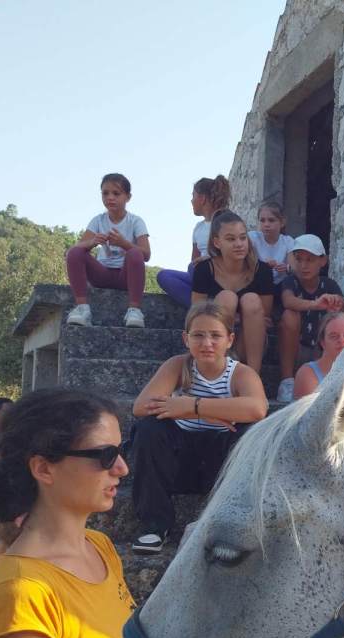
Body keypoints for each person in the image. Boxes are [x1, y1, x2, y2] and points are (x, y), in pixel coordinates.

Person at [0, 388, 135, 638]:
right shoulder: (19, 593)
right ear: (44, 469)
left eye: (122, 450)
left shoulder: (100, 547)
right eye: (105, 455)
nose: (122, 468)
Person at [129, 303, 267, 554]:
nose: (207, 343)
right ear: (186, 338)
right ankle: (154, 525)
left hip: (219, 467)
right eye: (198, 335)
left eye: (215, 335)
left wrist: (192, 407)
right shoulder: (177, 366)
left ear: (229, 340)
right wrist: (218, 411)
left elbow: (257, 409)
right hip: (179, 464)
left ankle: (226, 524)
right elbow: (141, 407)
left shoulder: (240, 374)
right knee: (149, 428)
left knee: (248, 430)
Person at [190, 209, 274, 372]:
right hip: (213, 343)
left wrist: (240, 317)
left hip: (249, 342)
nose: (239, 244)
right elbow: (196, 317)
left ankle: (254, 377)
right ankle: (216, 373)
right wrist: (240, 317)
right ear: (216, 242)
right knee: (227, 298)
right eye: (230, 239)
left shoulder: (262, 270)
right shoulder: (204, 269)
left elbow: (265, 319)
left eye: (243, 238)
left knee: (250, 299)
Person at [276, 234, 344, 403]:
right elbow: (287, 301)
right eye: (299, 260)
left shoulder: (329, 284)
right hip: (296, 348)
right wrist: (316, 304)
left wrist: (341, 304)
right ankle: (287, 381)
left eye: (310, 260)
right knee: (289, 315)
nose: (304, 265)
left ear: (323, 261)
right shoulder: (291, 281)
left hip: (322, 350)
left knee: (338, 321)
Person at [66, 173, 151, 328]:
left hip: (126, 276)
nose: (110, 198)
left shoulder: (135, 221)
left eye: (116, 193)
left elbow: (146, 254)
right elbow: (78, 248)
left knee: (134, 253)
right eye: (105, 193)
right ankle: (82, 308)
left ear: (128, 197)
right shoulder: (98, 220)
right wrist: (92, 242)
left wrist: (124, 243)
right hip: (102, 274)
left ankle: (134, 310)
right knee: (74, 252)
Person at [157, 175, 232, 306]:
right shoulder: (198, 228)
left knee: (195, 267)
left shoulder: (227, 221)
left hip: (224, 276)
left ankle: (207, 308)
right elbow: (194, 260)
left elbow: (236, 254)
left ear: (202, 199)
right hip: (202, 277)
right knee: (164, 275)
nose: (191, 201)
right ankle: (205, 308)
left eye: (193, 196)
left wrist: (210, 260)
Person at [248, 201, 295, 289]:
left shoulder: (288, 241)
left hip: (280, 284)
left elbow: (294, 267)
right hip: (258, 282)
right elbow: (246, 264)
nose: (266, 224)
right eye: (262, 220)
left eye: (271, 220)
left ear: (282, 223)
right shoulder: (253, 238)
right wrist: (261, 265)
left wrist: (286, 268)